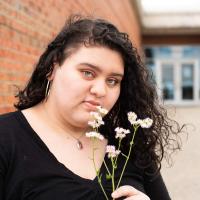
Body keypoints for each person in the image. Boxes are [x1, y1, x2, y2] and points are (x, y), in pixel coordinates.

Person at [0, 15, 183, 200]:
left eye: (112, 81)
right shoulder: (6, 139)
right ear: (52, 68)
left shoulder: (128, 145)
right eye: (87, 73)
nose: (100, 90)